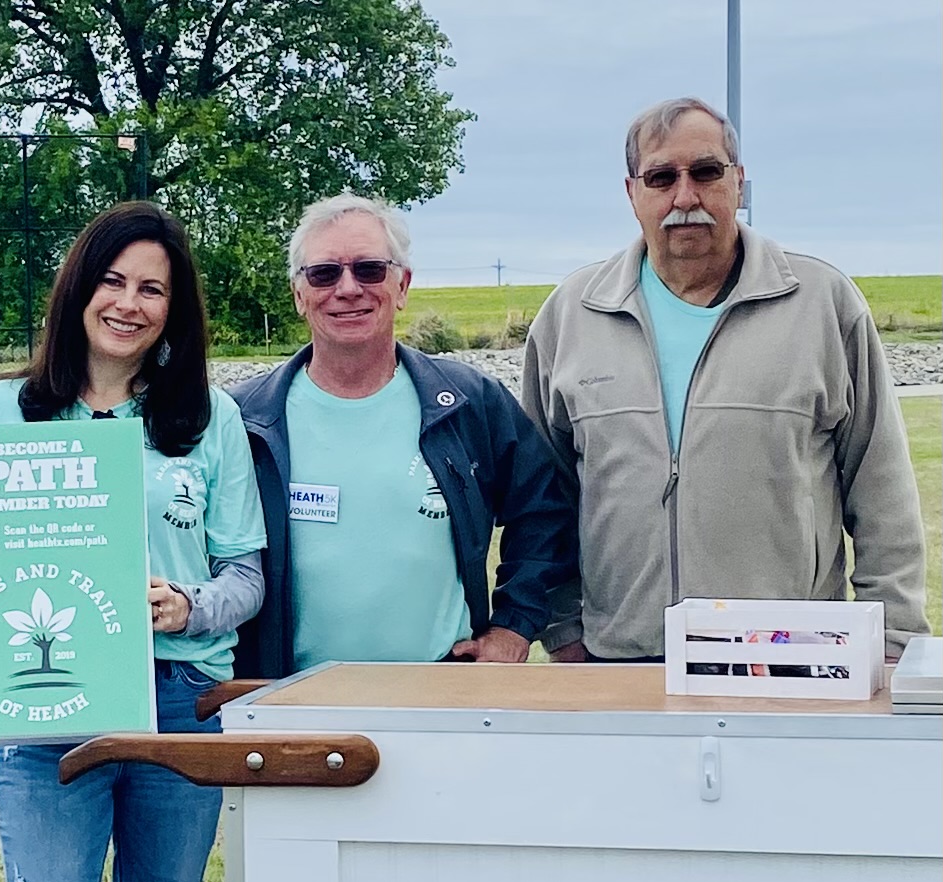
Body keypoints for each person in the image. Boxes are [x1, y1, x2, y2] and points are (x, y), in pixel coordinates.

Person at [0, 201, 266, 882]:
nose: (128, 303)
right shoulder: (2, 410)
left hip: (177, 703)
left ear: (173, 309)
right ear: (78, 289)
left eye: (152, 288)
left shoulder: (207, 419)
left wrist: (189, 604)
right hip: (44, 712)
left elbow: (244, 571)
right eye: (112, 280)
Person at [521, 96, 930, 663]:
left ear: (739, 182)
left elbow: (881, 488)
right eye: (661, 177)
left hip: (790, 658)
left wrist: (892, 640)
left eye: (706, 172)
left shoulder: (821, 305)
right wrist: (564, 632)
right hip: (619, 662)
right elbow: (543, 499)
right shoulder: (572, 315)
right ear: (631, 193)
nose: (685, 197)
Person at [230, 192, 575, 679]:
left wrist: (515, 626)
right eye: (324, 273)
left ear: (403, 284)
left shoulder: (469, 403)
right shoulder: (243, 421)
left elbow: (545, 512)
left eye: (369, 269)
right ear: (298, 294)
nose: (347, 289)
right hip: (286, 703)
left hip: (440, 700)